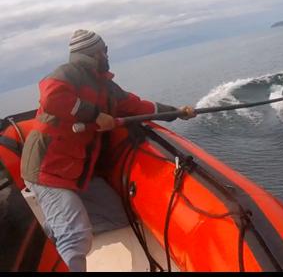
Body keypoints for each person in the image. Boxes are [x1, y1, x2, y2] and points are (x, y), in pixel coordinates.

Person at [20, 30, 196, 272]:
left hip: (77, 170)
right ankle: (65, 237)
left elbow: (138, 106)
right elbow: (52, 97)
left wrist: (176, 112)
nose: (106, 54)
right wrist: (94, 115)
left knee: (119, 217)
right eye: (104, 50)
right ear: (93, 54)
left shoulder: (108, 87)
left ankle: (52, 229)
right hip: (46, 168)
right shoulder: (67, 74)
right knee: (76, 235)